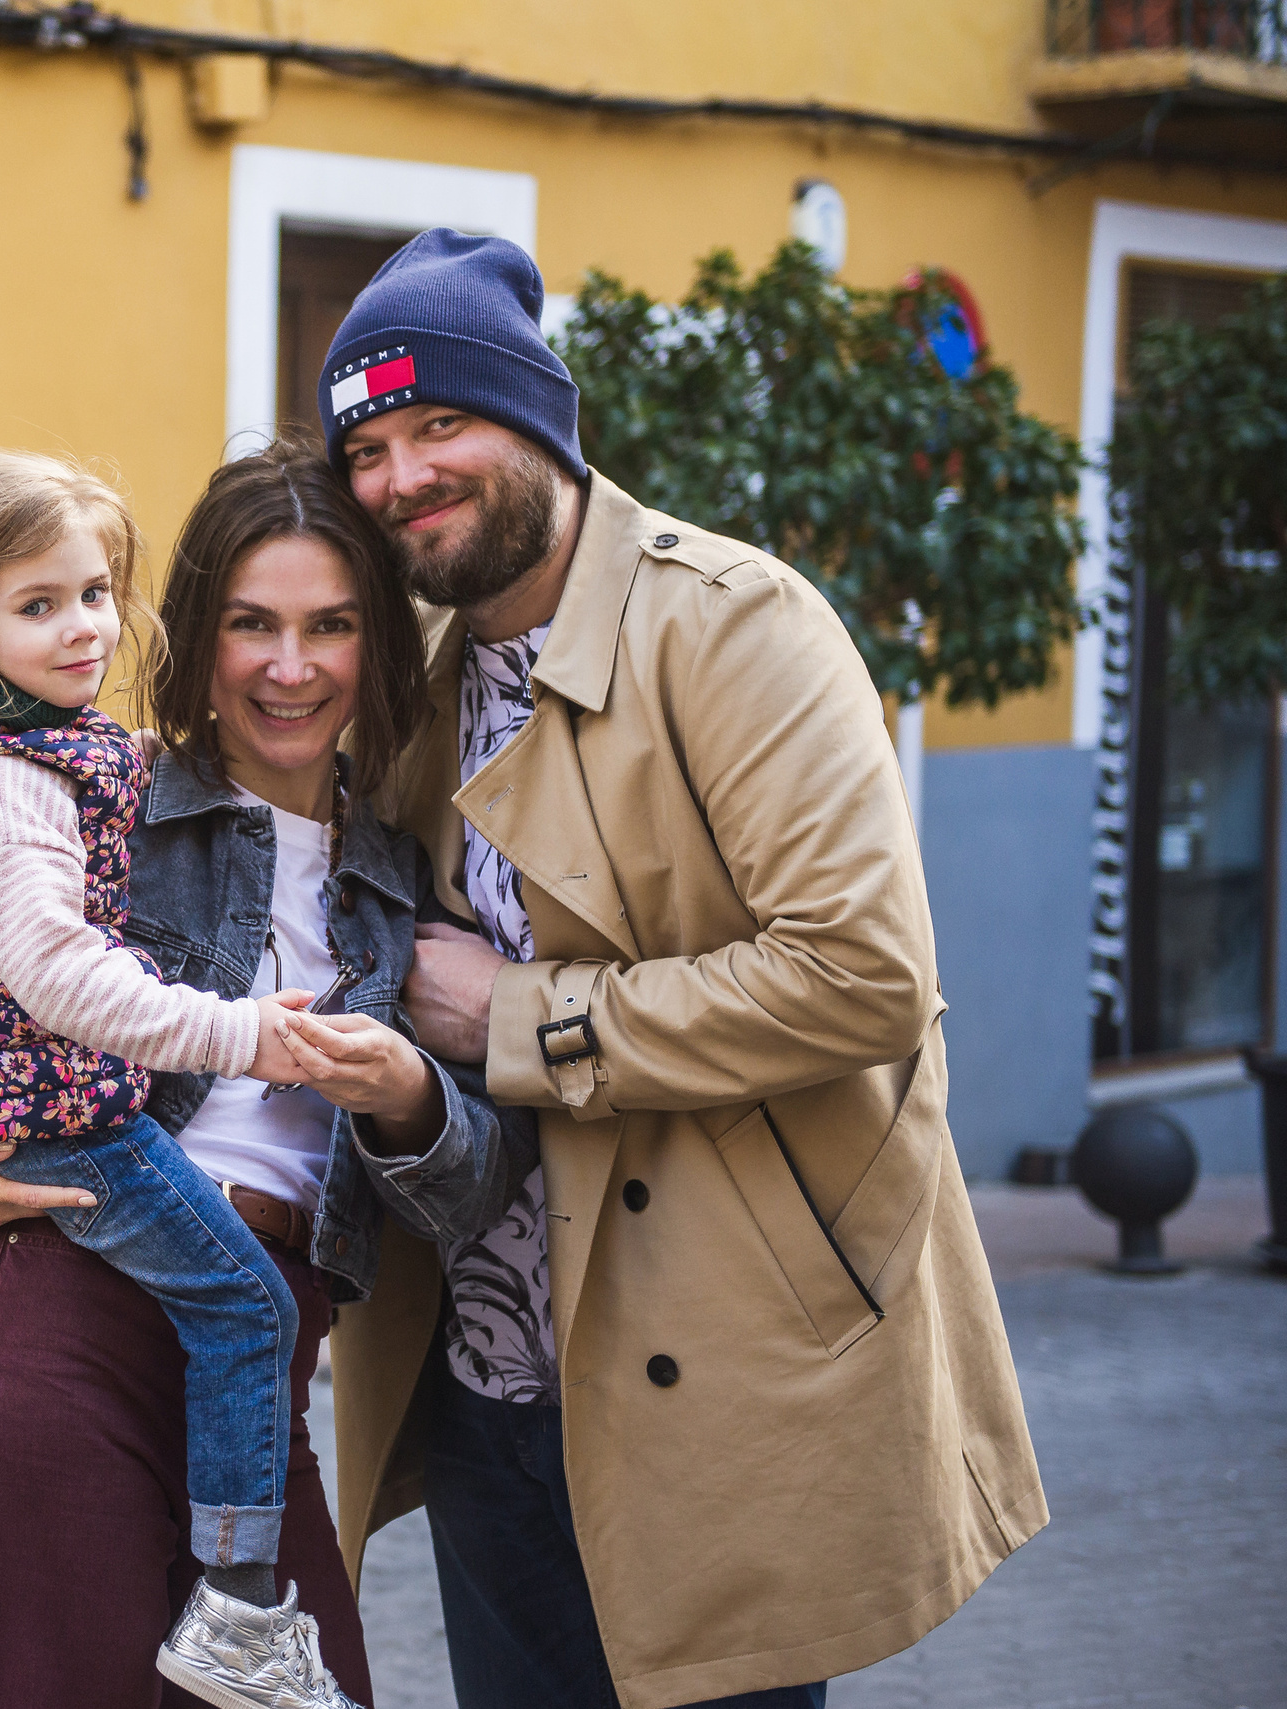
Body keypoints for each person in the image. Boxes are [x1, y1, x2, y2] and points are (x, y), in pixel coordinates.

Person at [314, 229, 1048, 1709]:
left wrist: (516, 1015)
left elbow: (861, 974)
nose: (401, 476)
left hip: (711, 1372)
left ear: (540, 420)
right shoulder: (421, 670)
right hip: (490, 1376)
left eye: (440, 423)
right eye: (372, 447)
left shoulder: (734, 625)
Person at [0, 440, 535, 1709]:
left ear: (380, 645)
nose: (289, 664)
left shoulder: (400, 876)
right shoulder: (97, 798)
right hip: (53, 1337)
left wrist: (408, 1099)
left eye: (332, 624)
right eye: (251, 622)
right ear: (197, 630)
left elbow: (474, 1190)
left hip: (257, 1381)